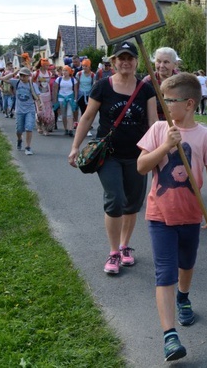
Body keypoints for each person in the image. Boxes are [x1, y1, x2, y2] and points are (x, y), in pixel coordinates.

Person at [137, 72, 207, 362]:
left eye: (168, 100)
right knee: (165, 272)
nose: (163, 105)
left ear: (188, 104)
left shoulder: (205, 136)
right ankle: (169, 336)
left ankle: (184, 297)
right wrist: (165, 147)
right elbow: (141, 166)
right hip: (159, 215)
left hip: (191, 216)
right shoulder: (160, 129)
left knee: (187, 264)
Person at [67, 41, 158, 275]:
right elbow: (87, 118)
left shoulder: (146, 89)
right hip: (108, 155)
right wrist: (75, 147)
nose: (125, 62)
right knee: (115, 199)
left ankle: (125, 245)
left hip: (138, 155)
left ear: (137, 61)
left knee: (132, 204)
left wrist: (157, 152)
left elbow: (152, 123)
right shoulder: (102, 87)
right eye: (121, 58)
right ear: (113, 62)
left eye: (130, 58)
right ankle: (113, 252)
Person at [7, 66, 41, 155]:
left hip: (30, 109)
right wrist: (14, 73)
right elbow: (2, 78)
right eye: (21, 75)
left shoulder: (32, 85)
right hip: (19, 110)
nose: (22, 77)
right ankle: (19, 139)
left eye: (24, 76)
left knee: (29, 128)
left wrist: (40, 105)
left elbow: (38, 96)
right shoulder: (16, 82)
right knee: (19, 130)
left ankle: (28, 147)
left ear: (28, 76)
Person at [143, 47, 181, 122]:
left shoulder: (182, 82)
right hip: (153, 127)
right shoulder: (147, 82)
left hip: (177, 126)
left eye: (166, 62)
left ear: (175, 64)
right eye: (158, 61)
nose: (161, 66)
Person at [54, 65, 78, 136]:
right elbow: (55, 89)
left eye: (66, 70)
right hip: (61, 98)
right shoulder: (59, 79)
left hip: (70, 98)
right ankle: (66, 129)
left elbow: (75, 90)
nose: (64, 72)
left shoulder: (73, 80)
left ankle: (70, 129)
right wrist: (55, 99)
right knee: (64, 115)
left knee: (69, 114)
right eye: (63, 70)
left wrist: (75, 99)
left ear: (69, 72)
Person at [34, 58, 55, 135]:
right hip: (39, 96)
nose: (48, 67)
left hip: (47, 96)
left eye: (48, 65)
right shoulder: (36, 73)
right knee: (40, 113)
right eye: (46, 65)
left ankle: (45, 129)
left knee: (47, 114)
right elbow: (32, 83)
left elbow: (48, 84)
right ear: (42, 65)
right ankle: (39, 125)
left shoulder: (49, 73)